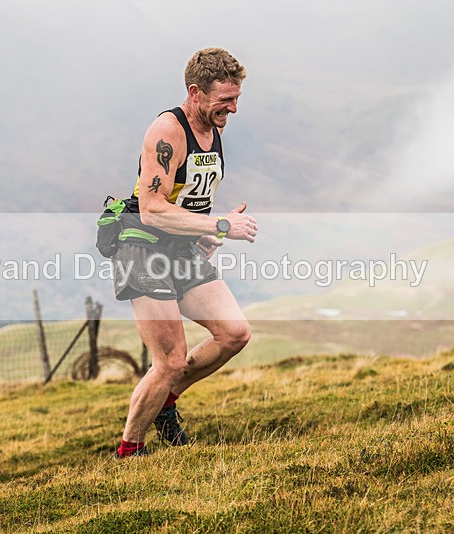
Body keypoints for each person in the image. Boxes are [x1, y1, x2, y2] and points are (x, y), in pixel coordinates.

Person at [111, 48, 258, 458]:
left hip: (181, 246)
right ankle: (130, 450)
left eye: (237, 98)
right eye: (225, 99)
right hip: (142, 248)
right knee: (171, 360)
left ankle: (166, 401)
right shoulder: (166, 131)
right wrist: (220, 226)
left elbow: (189, 194)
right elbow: (153, 208)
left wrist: (204, 234)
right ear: (195, 92)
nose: (233, 108)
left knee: (234, 334)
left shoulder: (214, 126)